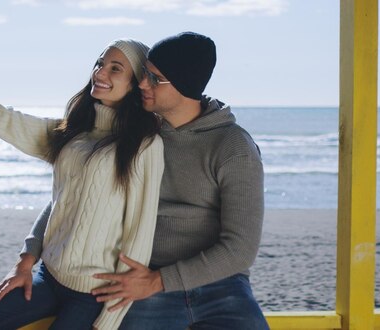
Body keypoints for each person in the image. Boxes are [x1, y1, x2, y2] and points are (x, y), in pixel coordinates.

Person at [0, 28, 164, 330]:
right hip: (48, 277)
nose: (101, 72)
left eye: (115, 68)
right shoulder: (71, 133)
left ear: (135, 84)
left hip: (94, 295)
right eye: (100, 63)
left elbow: (139, 234)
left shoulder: (145, 145)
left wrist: (108, 321)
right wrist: (25, 261)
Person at [24, 32, 269, 329]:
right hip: (140, 280)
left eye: (154, 79)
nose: (142, 84)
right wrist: (29, 254)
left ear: (184, 85)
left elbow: (240, 248)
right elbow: (74, 193)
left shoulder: (233, 147)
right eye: (143, 75)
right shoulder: (136, 132)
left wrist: (158, 282)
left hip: (219, 285)